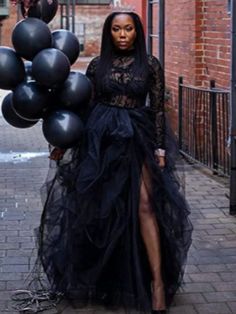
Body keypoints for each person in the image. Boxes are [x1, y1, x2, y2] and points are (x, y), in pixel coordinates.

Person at [38, 10, 193, 314]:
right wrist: (63, 141)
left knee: (145, 205)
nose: (123, 35)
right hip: (101, 137)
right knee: (105, 208)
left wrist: (160, 147)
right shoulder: (97, 65)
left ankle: (157, 283)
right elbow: (82, 103)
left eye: (129, 29)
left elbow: (158, 109)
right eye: (117, 30)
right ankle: (108, 280)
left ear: (137, 32)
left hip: (139, 137)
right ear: (109, 33)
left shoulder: (150, 65)